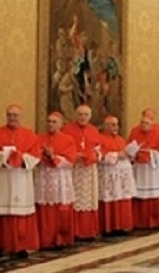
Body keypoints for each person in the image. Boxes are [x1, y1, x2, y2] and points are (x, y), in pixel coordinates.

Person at [0, 105, 40, 259]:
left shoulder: (30, 135)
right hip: (1, 177)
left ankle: (20, 246)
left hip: (20, 178)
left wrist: (21, 158)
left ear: (21, 117)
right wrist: (4, 157)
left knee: (19, 212)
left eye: (15, 115)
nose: (12, 118)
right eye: (9, 115)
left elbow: (36, 155)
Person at [36, 112, 77, 248]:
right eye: (49, 121)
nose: (50, 124)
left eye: (54, 122)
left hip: (60, 178)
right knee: (45, 208)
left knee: (60, 209)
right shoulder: (40, 138)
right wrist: (43, 155)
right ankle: (45, 239)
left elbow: (70, 160)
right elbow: (34, 157)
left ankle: (60, 239)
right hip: (44, 177)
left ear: (61, 124)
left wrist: (54, 157)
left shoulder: (68, 139)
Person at [62, 105, 100, 240]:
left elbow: (98, 148)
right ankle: (75, 231)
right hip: (74, 169)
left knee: (88, 199)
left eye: (85, 115)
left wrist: (94, 155)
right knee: (75, 197)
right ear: (75, 115)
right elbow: (63, 148)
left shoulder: (94, 130)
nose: (83, 117)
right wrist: (74, 154)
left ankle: (88, 230)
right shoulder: (67, 130)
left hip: (89, 170)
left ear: (90, 116)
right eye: (80, 114)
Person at [127, 113, 159, 229]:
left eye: (146, 123)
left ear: (152, 124)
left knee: (154, 194)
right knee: (138, 193)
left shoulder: (158, 134)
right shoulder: (135, 132)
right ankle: (138, 221)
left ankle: (155, 221)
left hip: (152, 170)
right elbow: (128, 148)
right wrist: (134, 153)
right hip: (139, 169)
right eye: (142, 122)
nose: (144, 125)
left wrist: (149, 153)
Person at [97, 115, 135, 235]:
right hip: (108, 174)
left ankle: (123, 225)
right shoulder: (99, 139)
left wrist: (130, 154)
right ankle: (110, 227)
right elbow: (100, 157)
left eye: (117, 124)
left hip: (122, 175)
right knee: (110, 199)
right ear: (105, 126)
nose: (116, 127)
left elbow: (127, 155)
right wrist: (118, 155)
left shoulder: (121, 139)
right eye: (113, 125)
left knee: (122, 198)